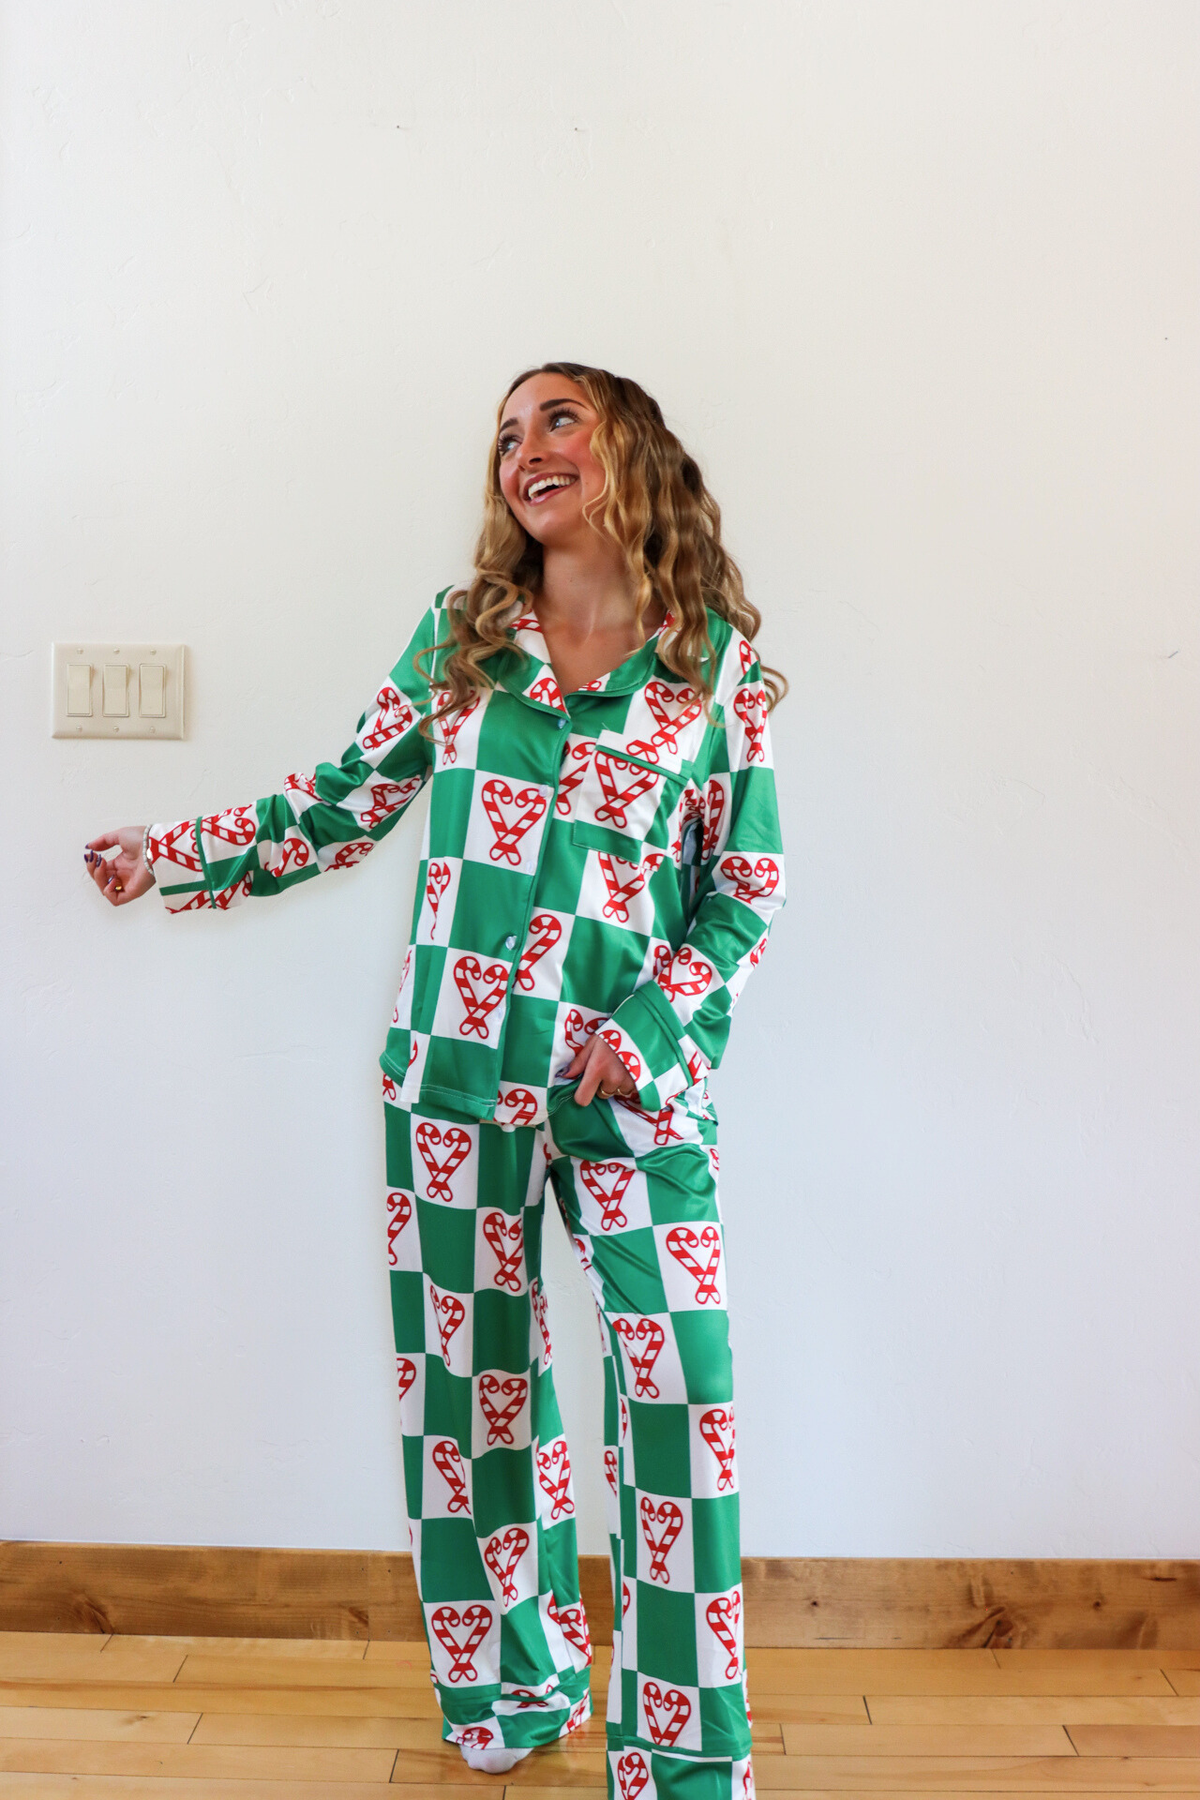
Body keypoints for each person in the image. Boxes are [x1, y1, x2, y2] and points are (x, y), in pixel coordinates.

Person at [85, 362, 785, 1798]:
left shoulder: (711, 673)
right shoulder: (465, 642)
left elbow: (745, 892)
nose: (524, 448)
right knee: (473, 1404)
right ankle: (513, 1694)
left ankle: (682, 1752)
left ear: (630, 448)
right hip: (453, 1076)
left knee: (680, 1394)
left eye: (558, 419)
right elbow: (344, 800)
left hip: (629, 1088)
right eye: (507, 433)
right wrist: (180, 853)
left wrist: (650, 1026)